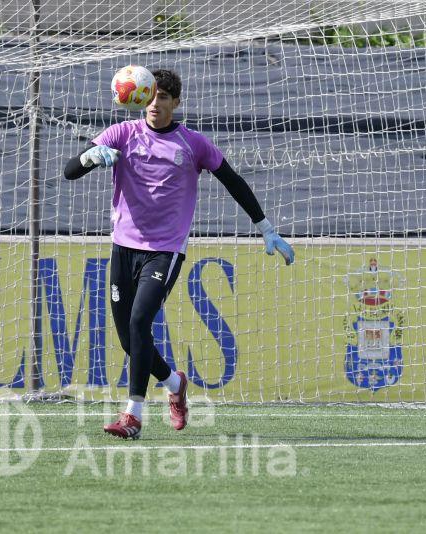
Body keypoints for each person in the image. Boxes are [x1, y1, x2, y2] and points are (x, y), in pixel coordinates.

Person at [63, 69, 294, 439]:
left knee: (140, 323)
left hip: (164, 251)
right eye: (151, 96)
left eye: (164, 97)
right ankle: (174, 383)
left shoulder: (193, 144)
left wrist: (265, 226)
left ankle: (133, 416)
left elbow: (233, 180)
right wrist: (92, 157)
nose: (156, 104)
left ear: (176, 102)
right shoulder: (121, 134)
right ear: (140, 98)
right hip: (123, 247)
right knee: (129, 339)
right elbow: (69, 170)